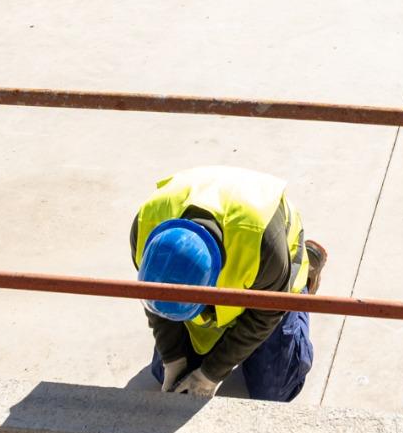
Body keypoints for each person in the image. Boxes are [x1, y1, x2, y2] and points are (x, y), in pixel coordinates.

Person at [131, 164, 325, 401]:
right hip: (228, 268)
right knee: (167, 376)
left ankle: (306, 271)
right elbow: (156, 297)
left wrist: (211, 374)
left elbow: (264, 315)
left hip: (270, 274)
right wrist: (173, 358)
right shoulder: (146, 226)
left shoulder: (263, 243)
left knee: (273, 391)